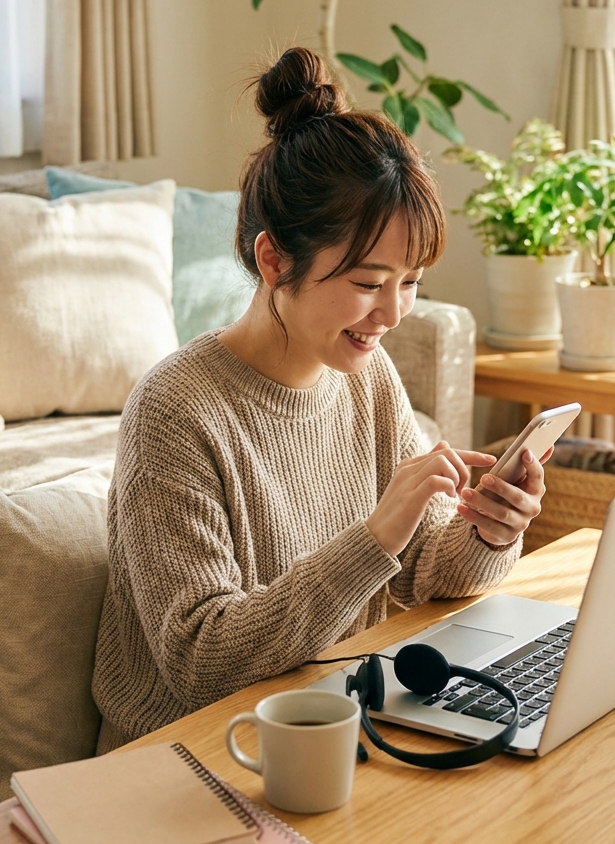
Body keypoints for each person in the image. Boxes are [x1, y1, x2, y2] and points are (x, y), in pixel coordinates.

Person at [92, 47, 550, 751]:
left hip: (337, 722)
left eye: (412, 281)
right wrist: (373, 539)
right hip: (196, 755)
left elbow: (428, 572)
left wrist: (491, 529)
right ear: (274, 260)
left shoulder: (364, 375)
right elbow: (201, 662)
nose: (393, 313)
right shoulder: (175, 410)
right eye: (369, 283)